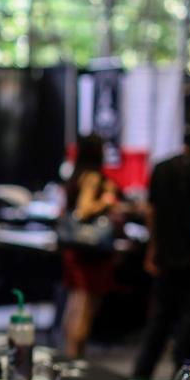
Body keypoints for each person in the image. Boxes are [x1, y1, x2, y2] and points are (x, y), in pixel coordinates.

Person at [133, 122, 190, 380]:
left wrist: (154, 246)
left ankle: (141, 375)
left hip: (167, 252)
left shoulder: (162, 168)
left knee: (160, 318)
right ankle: (181, 376)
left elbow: (151, 211)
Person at [61, 134, 118, 359]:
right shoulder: (93, 178)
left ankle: (70, 358)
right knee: (84, 308)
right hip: (90, 252)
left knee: (75, 304)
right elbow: (84, 210)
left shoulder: (76, 174)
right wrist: (107, 200)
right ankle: (76, 360)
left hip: (78, 251)